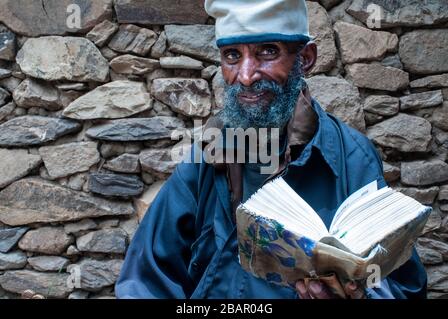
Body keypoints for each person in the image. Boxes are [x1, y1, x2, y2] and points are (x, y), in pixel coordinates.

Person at [115, 0, 427, 299]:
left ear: (305, 58)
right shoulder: (207, 158)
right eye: (233, 55)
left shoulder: (350, 158)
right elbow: (145, 278)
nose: (246, 76)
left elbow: (402, 286)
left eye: (267, 52)